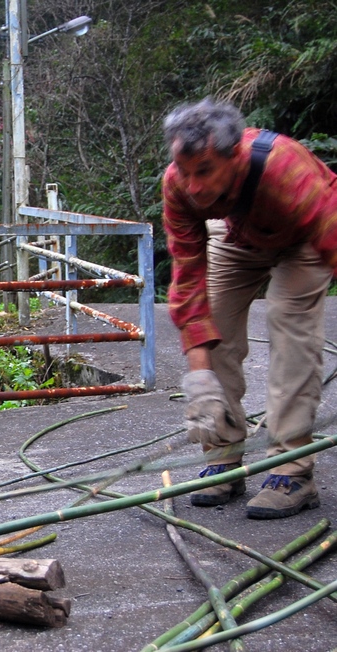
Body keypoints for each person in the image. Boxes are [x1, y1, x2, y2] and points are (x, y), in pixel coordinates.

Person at [162, 97, 337, 519]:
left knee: (291, 334)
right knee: (214, 330)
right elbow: (188, 283)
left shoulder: (285, 172)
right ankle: (223, 451)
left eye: (204, 171)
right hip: (238, 233)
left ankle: (290, 469)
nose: (192, 184)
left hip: (304, 236)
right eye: (185, 171)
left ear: (233, 157)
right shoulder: (179, 184)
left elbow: (331, 237)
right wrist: (200, 379)